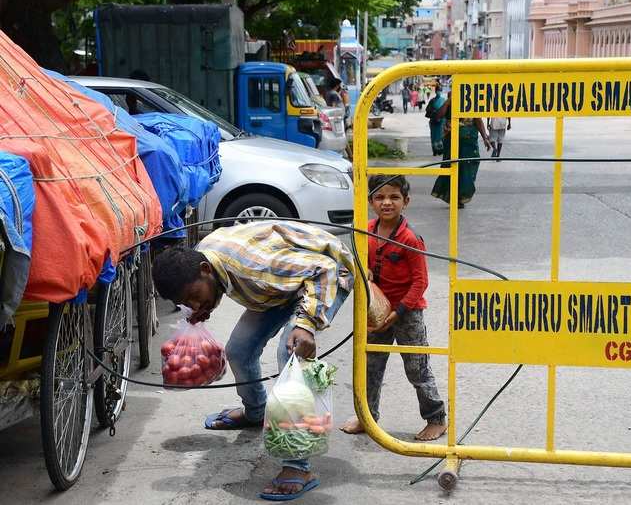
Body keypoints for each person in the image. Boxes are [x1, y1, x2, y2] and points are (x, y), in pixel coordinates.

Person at [151, 221, 354, 501]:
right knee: (238, 351)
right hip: (280, 285)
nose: (195, 305)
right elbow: (215, 286)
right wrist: (203, 307)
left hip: (325, 276)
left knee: (291, 354)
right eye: (188, 302)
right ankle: (256, 412)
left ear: (205, 270)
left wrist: (305, 324)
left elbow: (323, 270)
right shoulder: (201, 261)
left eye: (195, 297)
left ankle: (298, 466)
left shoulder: (253, 268)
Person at [340, 175, 447, 442]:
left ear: (405, 202)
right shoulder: (365, 231)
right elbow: (358, 265)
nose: (387, 202)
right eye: (380, 197)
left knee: (417, 367)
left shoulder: (410, 238)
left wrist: (398, 312)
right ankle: (368, 417)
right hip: (376, 310)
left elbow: (421, 281)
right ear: (371, 202)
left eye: (394, 197)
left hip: (407, 313)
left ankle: (436, 418)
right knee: (371, 366)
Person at [431, 91, 492, 208]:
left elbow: (478, 120)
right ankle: (454, 198)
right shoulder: (451, 97)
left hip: (469, 141)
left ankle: (462, 195)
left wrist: (485, 138)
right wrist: (449, 101)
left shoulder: (471, 99)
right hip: (452, 142)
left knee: (469, 166)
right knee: (452, 167)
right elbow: (439, 116)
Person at [425, 86, 446, 156]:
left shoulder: (444, 100)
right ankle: (435, 150)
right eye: (437, 91)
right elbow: (427, 109)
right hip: (434, 121)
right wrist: (434, 112)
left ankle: (441, 150)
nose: (438, 92)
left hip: (442, 121)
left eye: (440, 91)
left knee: (441, 135)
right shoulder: (432, 100)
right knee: (434, 136)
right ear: (435, 91)